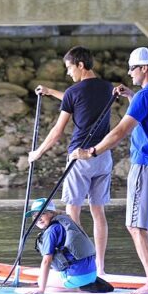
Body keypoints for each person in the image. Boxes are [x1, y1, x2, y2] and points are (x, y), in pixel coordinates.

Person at [69, 47, 148, 294]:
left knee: (135, 227)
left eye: (132, 68)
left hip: (144, 166)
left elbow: (119, 132)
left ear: (144, 68)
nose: (129, 72)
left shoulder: (144, 97)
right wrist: (130, 96)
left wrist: (90, 151)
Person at [28, 46, 113, 275]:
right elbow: (76, 98)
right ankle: (100, 267)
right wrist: (50, 91)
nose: (68, 73)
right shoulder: (108, 88)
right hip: (103, 156)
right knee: (98, 213)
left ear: (80, 65)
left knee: (72, 215)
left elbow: (57, 131)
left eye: (69, 68)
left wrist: (38, 153)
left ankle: (77, 267)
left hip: (79, 158)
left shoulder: (74, 92)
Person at [23, 197, 113, 294]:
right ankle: (85, 283)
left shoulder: (50, 231)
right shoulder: (66, 222)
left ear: (52, 213)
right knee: (53, 273)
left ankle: (78, 289)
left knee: (41, 281)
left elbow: (46, 261)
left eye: (42, 213)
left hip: (77, 277)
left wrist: (41, 289)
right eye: (34, 215)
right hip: (92, 274)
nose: (38, 218)